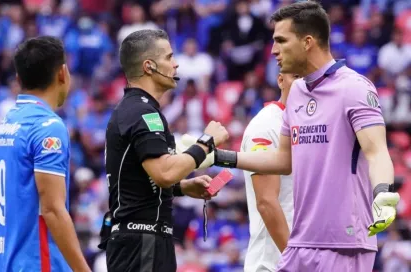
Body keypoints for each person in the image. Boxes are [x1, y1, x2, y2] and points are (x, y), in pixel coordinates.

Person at [181, 1, 400, 271]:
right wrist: (219, 156)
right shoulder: (297, 94)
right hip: (301, 244)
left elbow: (376, 152)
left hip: (344, 242)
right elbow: (284, 160)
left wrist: (384, 194)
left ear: (307, 42)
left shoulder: (354, 88)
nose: (273, 50)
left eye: (281, 41)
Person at [100, 29, 228, 272]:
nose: (176, 64)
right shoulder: (142, 112)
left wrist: (182, 187)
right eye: (169, 57)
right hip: (142, 242)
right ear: (149, 66)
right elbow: (165, 173)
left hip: (141, 241)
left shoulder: (134, 109)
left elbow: (138, 179)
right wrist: (206, 141)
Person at [0, 36, 91, 272]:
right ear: (62, 73)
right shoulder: (47, 126)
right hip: (37, 262)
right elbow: (52, 209)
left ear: (18, 78)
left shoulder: (9, 122)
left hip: (4, 262)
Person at [241, 73, 298, 272]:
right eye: (296, 76)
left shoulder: (312, 126)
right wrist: (296, 261)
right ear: (281, 80)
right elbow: (266, 202)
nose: (303, 83)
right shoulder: (266, 126)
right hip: (273, 264)